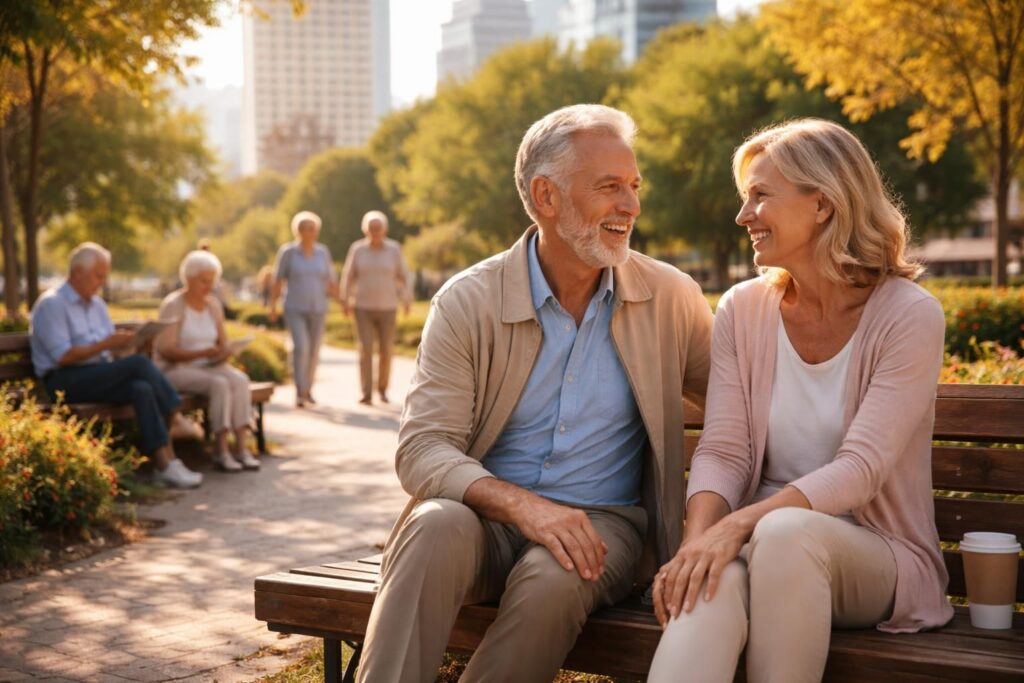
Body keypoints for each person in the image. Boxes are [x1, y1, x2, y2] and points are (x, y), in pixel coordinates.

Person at [355, 104, 713, 683]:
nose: (632, 206)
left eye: (634, 186)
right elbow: (422, 449)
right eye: (609, 187)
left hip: (605, 525)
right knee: (431, 527)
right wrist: (524, 507)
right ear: (546, 197)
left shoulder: (670, 297)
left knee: (559, 573)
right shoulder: (467, 301)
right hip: (486, 523)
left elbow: (734, 406)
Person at [648, 119, 953, 683]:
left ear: (823, 204)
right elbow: (725, 448)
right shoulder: (743, 308)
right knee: (711, 584)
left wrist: (735, 528)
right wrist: (697, 546)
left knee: (783, 534)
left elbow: (860, 470)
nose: (743, 217)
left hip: (877, 554)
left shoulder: (909, 315)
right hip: (759, 542)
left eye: (760, 196)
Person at [29, 242, 202, 489]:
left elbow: (108, 352)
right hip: (63, 381)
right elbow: (62, 356)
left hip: (97, 374)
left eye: (104, 275)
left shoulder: (97, 305)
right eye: (98, 275)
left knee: (141, 387)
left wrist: (133, 343)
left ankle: (166, 464)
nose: (102, 281)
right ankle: (175, 415)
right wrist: (105, 344)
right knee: (140, 367)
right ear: (77, 272)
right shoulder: (51, 305)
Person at [155, 250, 260, 472]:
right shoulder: (174, 305)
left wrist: (227, 351)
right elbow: (166, 349)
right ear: (189, 278)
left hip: (211, 366)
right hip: (178, 369)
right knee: (220, 384)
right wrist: (201, 354)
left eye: (212, 281)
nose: (209, 286)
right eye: (204, 281)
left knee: (240, 380)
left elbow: (222, 343)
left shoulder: (213, 305)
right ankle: (220, 450)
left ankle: (241, 447)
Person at [339, 210, 411, 405]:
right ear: (366, 230)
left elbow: (403, 275)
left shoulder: (394, 249)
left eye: (378, 228)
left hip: (388, 306)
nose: (375, 231)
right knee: (365, 349)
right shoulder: (358, 249)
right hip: (362, 306)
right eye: (371, 228)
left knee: (386, 349)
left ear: (384, 229)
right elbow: (348, 275)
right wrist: (344, 298)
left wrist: (407, 299)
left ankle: (383, 389)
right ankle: (366, 392)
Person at [268, 211, 338, 407]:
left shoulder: (323, 252)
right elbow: (278, 280)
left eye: (312, 228)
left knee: (314, 350)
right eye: (304, 228)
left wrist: (343, 301)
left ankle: (308, 389)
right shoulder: (288, 252)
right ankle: (300, 390)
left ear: (316, 231)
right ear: (297, 231)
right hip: (294, 307)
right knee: (301, 347)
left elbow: (330, 281)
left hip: (319, 307)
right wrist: (272, 306)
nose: (308, 232)